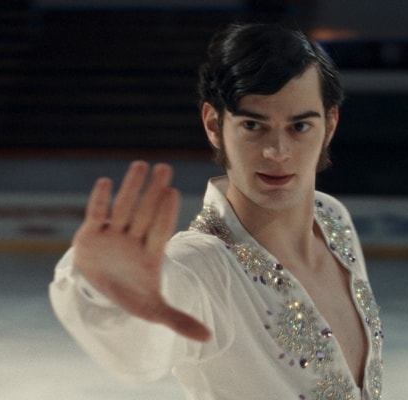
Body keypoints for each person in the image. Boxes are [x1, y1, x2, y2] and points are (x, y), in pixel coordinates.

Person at [49, 23, 383, 400]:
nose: (277, 151)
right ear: (214, 125)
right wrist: (106, 292)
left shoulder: (333, 218)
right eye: (253, 125)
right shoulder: (203, 266)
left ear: (330, 125)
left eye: (300, 126)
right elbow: (140, 353)